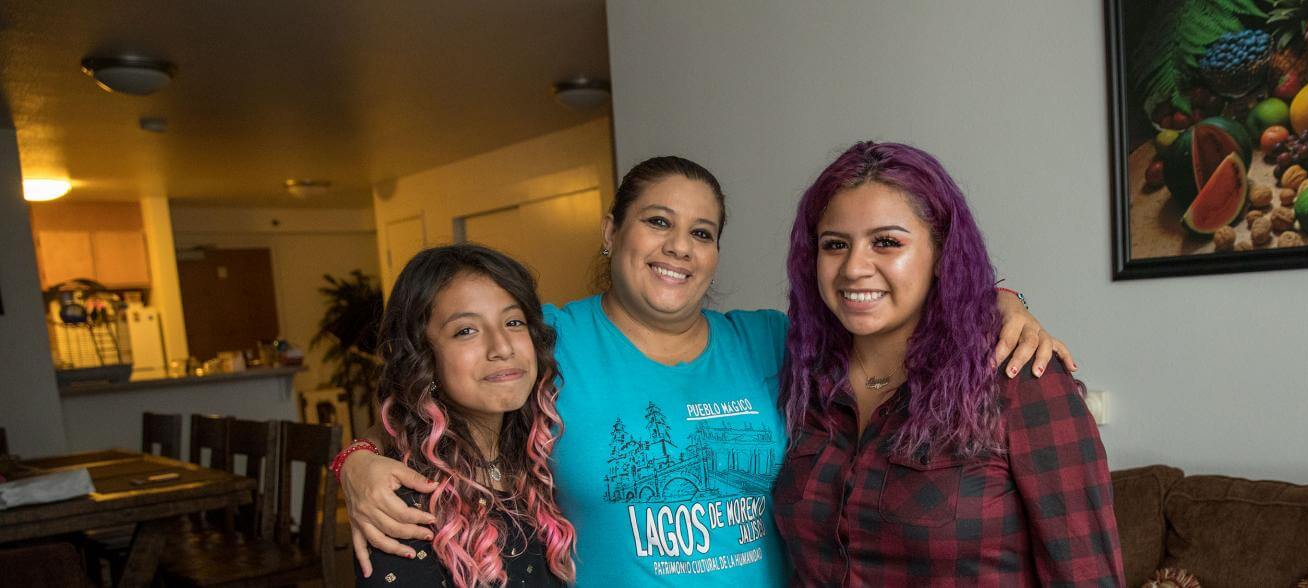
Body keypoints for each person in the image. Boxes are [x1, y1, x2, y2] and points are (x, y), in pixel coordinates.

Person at [340, 155, 1077, 585]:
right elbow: (449, 395)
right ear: (613, 230)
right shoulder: (547, 338)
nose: (679, 248)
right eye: (657, 221)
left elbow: (887, 315)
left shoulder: (772, 341)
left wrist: (998, 303)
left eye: (702, 232)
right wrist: (358, 459)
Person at [773, 142, 1122, 585]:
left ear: (941, 255)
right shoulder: (802, 382)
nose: (854, 268)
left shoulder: (1019, 377)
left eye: (886, 242)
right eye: (835, 244)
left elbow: (1088, 576)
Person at [352, 244, 575, 587]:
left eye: (513, 322)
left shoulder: (539, 462)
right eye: (466, 330)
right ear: (423, 359)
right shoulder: (404, 505)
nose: (502, 347)